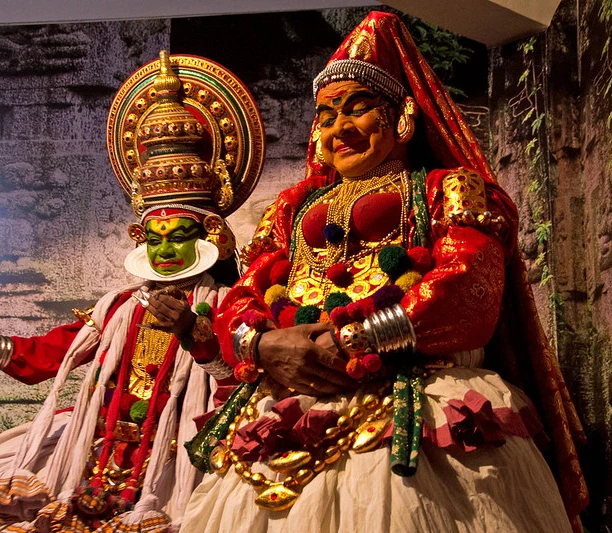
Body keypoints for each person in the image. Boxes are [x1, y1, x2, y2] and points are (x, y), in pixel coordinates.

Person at [180, 11, 588, 533]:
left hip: (423, 396)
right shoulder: (290, 209)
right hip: (287, 404)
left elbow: (467, 291)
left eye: (357, 110)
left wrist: (349, 341)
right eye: (327, 117)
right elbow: (244, 295)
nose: (339, 129)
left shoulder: (448, 190)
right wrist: (262, 347)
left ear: (402, 117)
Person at [0, 50, 264, 533]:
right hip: (95, 452)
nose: (165, 251)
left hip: (179, 463)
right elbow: (43, 357)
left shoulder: (230, 304)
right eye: (155, 238)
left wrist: (196, 336)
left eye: (178, 236)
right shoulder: (118, 308)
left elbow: (243, 384)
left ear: (208, 236)